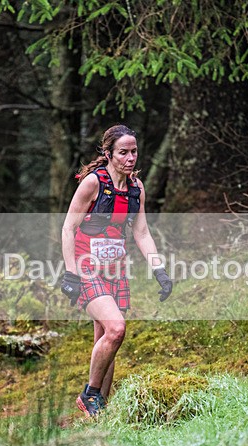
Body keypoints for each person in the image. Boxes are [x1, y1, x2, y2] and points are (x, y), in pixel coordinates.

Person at [60, 124, 173, 417]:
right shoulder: (93, 183)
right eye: (123, 152)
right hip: (86, 266)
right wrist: (70, 274)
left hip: (115, 269)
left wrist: (159, 271)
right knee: (116, 328)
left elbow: (142, 232)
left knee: (106, 340)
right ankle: (90, 395)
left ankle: (100, 413)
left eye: (134, 151)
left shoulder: (136, 188)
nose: (130, 158)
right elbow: (68, 227)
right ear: (108, 154)